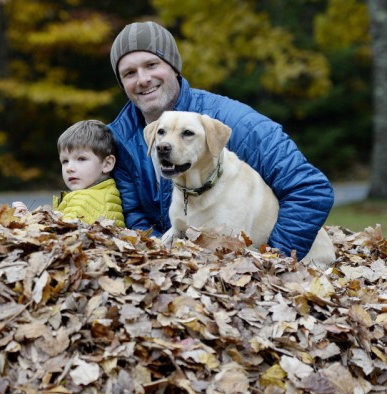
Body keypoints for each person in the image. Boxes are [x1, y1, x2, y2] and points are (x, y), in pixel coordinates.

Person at [107, 21, 334, 260]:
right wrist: (165, 261)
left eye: (152, 64)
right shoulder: (119, 138)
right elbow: (132, 212)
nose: (142, 79)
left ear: (174, 68)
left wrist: (275, 260)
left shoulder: (240, 124)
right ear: (122, 83)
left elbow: (310, 189)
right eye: (129, 73)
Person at [50, 120, 125, 228]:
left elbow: (57, 235)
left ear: (107, 164)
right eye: (65, 161)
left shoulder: (85, 200)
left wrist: (22, 220)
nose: (69, 168)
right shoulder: (105, 194)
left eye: (81, 159)